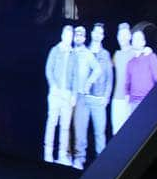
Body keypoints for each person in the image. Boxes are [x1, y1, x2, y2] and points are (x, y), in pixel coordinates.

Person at [72, 23, 111, 170]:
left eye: (100, 33)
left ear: (102, 36)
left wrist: (106, 97)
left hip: (98, 100)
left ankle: (101, 164)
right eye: (96, 32)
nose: (97, 35)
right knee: (80, 132)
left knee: (99, 134)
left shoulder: (106, 54)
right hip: (83, 98)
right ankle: (79, 159)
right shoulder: (83, 51)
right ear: (92, 33)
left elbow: (109, 78)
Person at [43, 24, 75, 165]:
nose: (68, 38)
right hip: (55, 94)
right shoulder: (55, 50)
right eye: (66, 35)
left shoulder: (73, 54)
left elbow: (75, 76)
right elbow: (48, 69)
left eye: (70, 36)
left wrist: (73, 94)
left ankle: (62, 155)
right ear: (62, 36)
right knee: (52, 123)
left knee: (65, 126)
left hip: (67, 94)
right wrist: (53, 86)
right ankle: (48, 154)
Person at [125, 29, 157, 115]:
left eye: (139, 39)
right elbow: (127, 84)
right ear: (132, 42)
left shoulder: (151, 57)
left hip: (149, 102)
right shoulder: (130, 63)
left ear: (143, 42)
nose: (137, 41)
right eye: (134, 39)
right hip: (133, 104)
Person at [111, 22, 134, 133]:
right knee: (117, 132)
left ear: (130, 36)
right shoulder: (116, 55)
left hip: (132, 100)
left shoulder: (136, 52)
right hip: (117, 100)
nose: (122, 38)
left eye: (125, 35)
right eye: (120, 35)